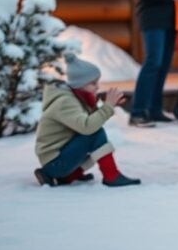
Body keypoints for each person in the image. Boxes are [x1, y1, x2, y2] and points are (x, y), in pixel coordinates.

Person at [34, 54, 140, 187]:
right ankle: (112, 176)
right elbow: (88, 127)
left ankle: (69, 177)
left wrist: (108, 105)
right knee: (95, 134)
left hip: (59, 159)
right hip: (55, 163)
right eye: (93, 83)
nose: (97, 87)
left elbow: (86, 121)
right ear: (79, 84)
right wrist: (107, 107)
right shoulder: (65, 102)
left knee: (94, 138)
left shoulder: (74, 98)